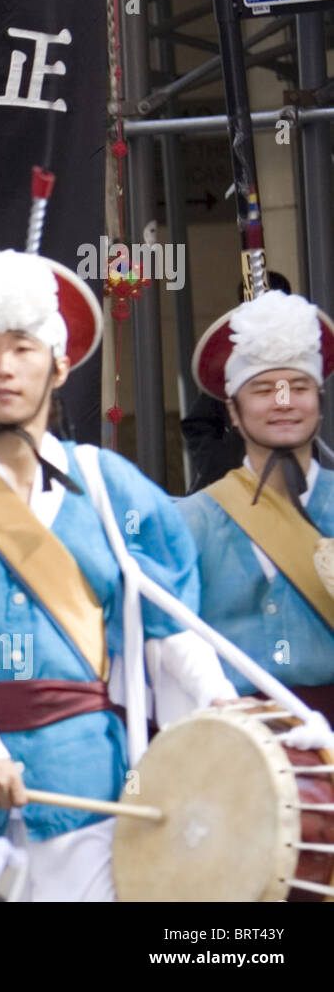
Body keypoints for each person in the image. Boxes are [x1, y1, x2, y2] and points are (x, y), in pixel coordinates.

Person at [0, 249, 235, 901]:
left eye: (23, 347)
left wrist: (221, 712)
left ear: (61, 365)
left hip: (92, 782)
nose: (4, 367)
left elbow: (171, 629)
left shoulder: (112, 487)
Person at [178, 288, 334, 722]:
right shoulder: (191, 521)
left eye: (298, 387)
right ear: (232, 410)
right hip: (237, 748)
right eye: (263, 389)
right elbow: (166, 644)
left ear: (319, 404)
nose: (283, 403)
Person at [181, 271, 292, 491]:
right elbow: (198, 424)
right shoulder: (233, 365)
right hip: (237, 485)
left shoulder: (302, 360)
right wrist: (224, 464)